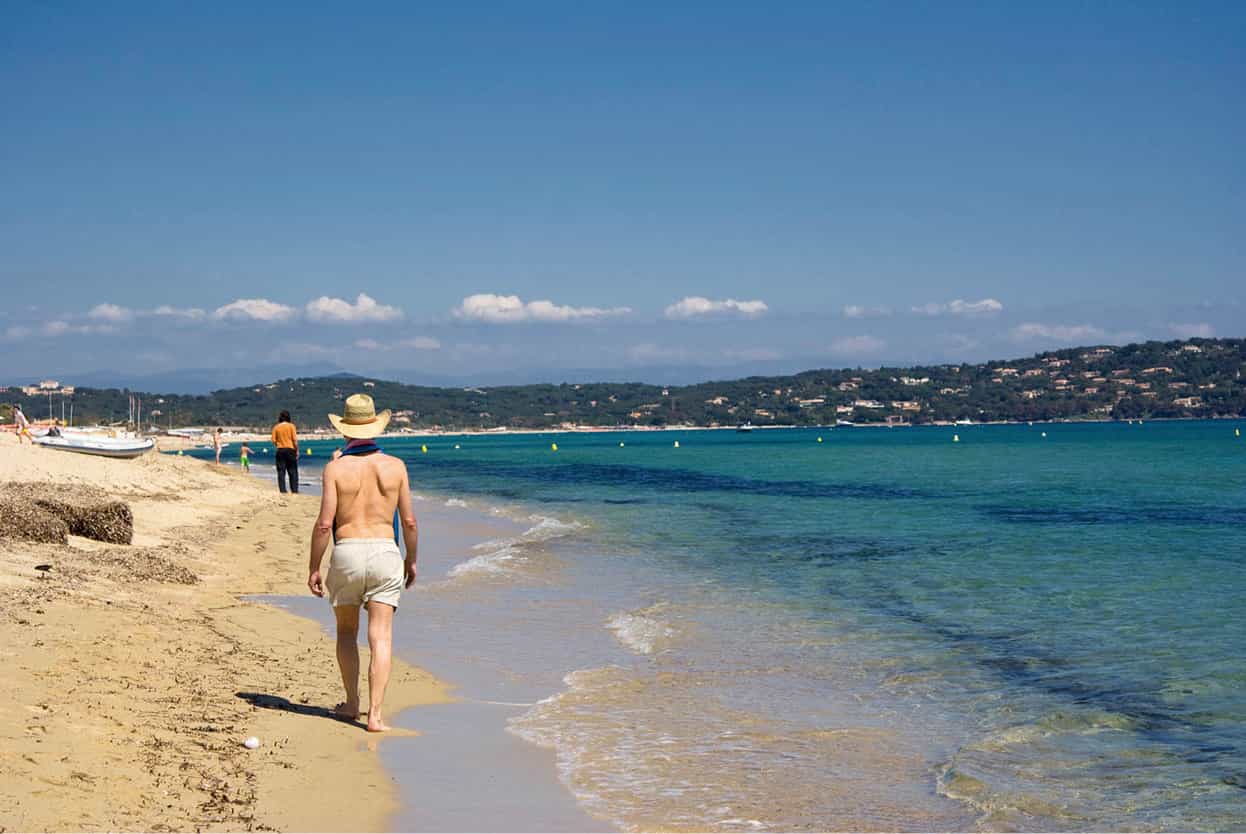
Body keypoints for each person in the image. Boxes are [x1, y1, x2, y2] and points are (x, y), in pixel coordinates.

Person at [307, 394, 417, 732]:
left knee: (345, 632)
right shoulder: (395, 467)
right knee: (380, 637)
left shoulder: (335, 468)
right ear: (375, 427)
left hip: (348, 551)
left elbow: (325, 523)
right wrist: (410, 560)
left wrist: (314, 566)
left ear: (344, 429)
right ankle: (376, 715)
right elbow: (409, 522)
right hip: (386, 551)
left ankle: (352, 703)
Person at [271, 410, 299, 493]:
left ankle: (283, 490)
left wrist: (279, 445)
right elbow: (295, 440)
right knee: (293, 471)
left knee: (281, 471)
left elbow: (273, 440)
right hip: (290, 449)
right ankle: (294, 490)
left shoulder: (276, 427)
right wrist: (297, 450)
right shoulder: (291, 426)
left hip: (280, 450)